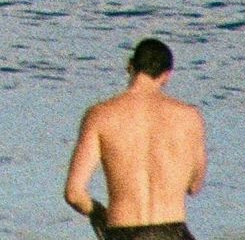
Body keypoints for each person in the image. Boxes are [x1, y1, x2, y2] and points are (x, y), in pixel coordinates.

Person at [64, 37, 207, 239]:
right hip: (173, 232)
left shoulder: (100, 115)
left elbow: (74, 193)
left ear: (129, 66)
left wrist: (98, 213)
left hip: (123, 232)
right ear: (166, 75)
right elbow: (194, 186)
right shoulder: (190, 117)